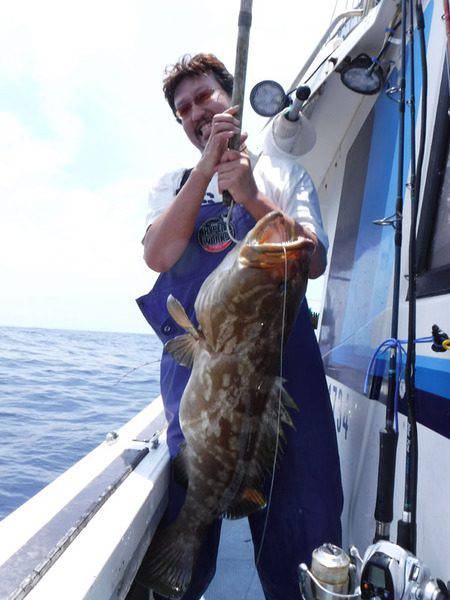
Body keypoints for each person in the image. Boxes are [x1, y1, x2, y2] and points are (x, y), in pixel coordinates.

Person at [136, 53, 343, 600]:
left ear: (229, 95)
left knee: (301, 541)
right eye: (184, 109)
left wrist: (251, 194)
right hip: (197, 383)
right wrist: (206, 169)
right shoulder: (173, 185)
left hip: (286, 381)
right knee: (185, 548)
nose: (196, 111)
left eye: (204, 96)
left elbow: (312, 259)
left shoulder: (282, 173)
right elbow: (158, 256)